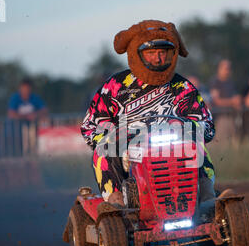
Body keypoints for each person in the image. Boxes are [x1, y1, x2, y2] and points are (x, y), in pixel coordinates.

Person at [81, 20, 216, 208]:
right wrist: (113, 135)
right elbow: (89, 128)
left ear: (171, 54)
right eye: (151, 53)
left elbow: (207, 126)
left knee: (196, 143)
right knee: (103, 151)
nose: (158, 59)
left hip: (174, 149)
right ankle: (117, 205)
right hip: (127, 154)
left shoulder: (182, 87)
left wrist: (186, 126)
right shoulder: (114, 86)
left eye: (162, 53)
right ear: (138, 54)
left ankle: (207, 200)